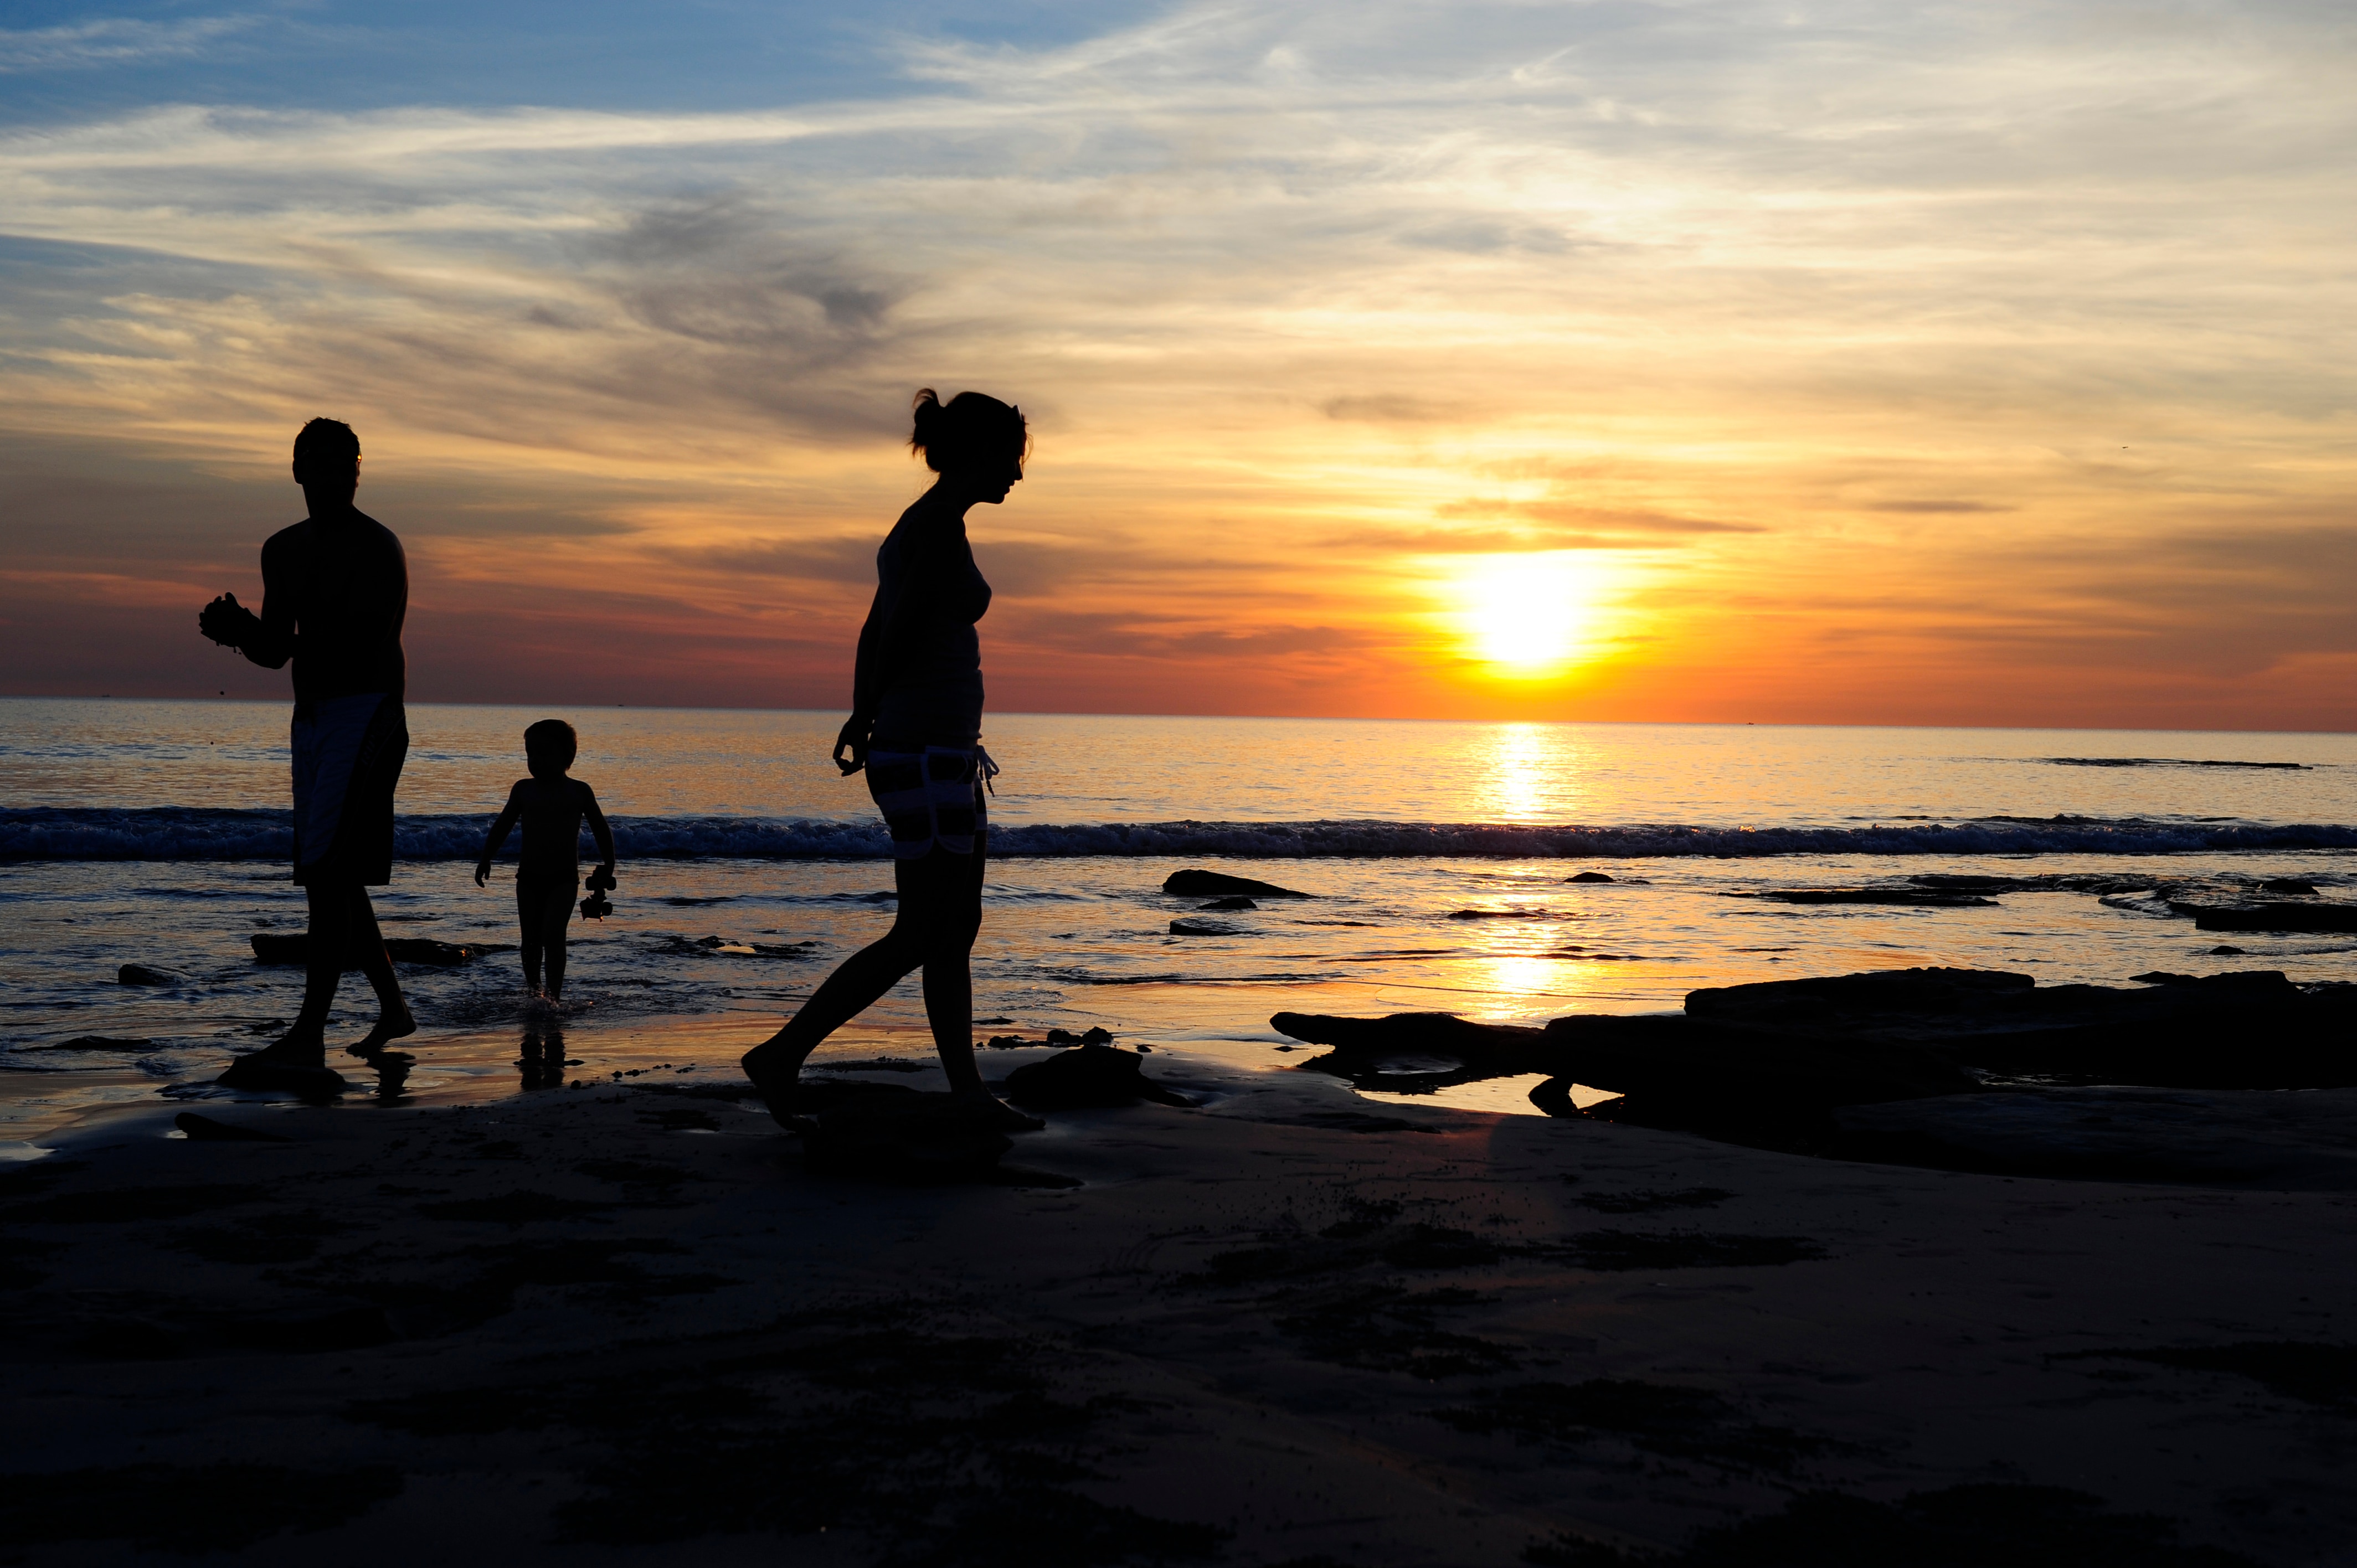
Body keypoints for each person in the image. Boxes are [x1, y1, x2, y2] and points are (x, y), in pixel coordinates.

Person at [742, 388, 1036, 1131]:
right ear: (978, 453)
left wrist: (858, 711)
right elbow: (895, 627)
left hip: (942, 751)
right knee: (924, 929)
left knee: (955, 924)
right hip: (924, 750)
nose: (1018, 475)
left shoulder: (929, 525)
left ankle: (967, 1091)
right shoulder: (934, 527)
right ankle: (782, 1055)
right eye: (1011, 459)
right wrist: (870, 716)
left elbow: (874, 626)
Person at [198, 418, 413, 1090]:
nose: (330, 476)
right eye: (317, 465)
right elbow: (274, 650)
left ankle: (307, 1039)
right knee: (337, 872)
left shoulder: (378, 548)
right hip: (314, 719)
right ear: (296, 471)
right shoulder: (282, 549)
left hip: (366, 714)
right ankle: (394, 1008)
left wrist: (271, 641)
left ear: (358, 471)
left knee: (326, 874)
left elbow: (360, 642)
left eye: (343, 464)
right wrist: (238, 634)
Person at [474, 719, 616, 1002]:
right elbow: (502, 825)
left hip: (563, 879)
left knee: (553, 936)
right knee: (530, 940)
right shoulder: (523, 790)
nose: (535, 761)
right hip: (528, 878)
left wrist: (609, 864)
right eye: (530, 754)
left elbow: (601, 827)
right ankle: (533, 991)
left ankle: (553, 997)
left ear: (566, 757)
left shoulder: (579, 791)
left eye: (543, 754)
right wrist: (486, 858)